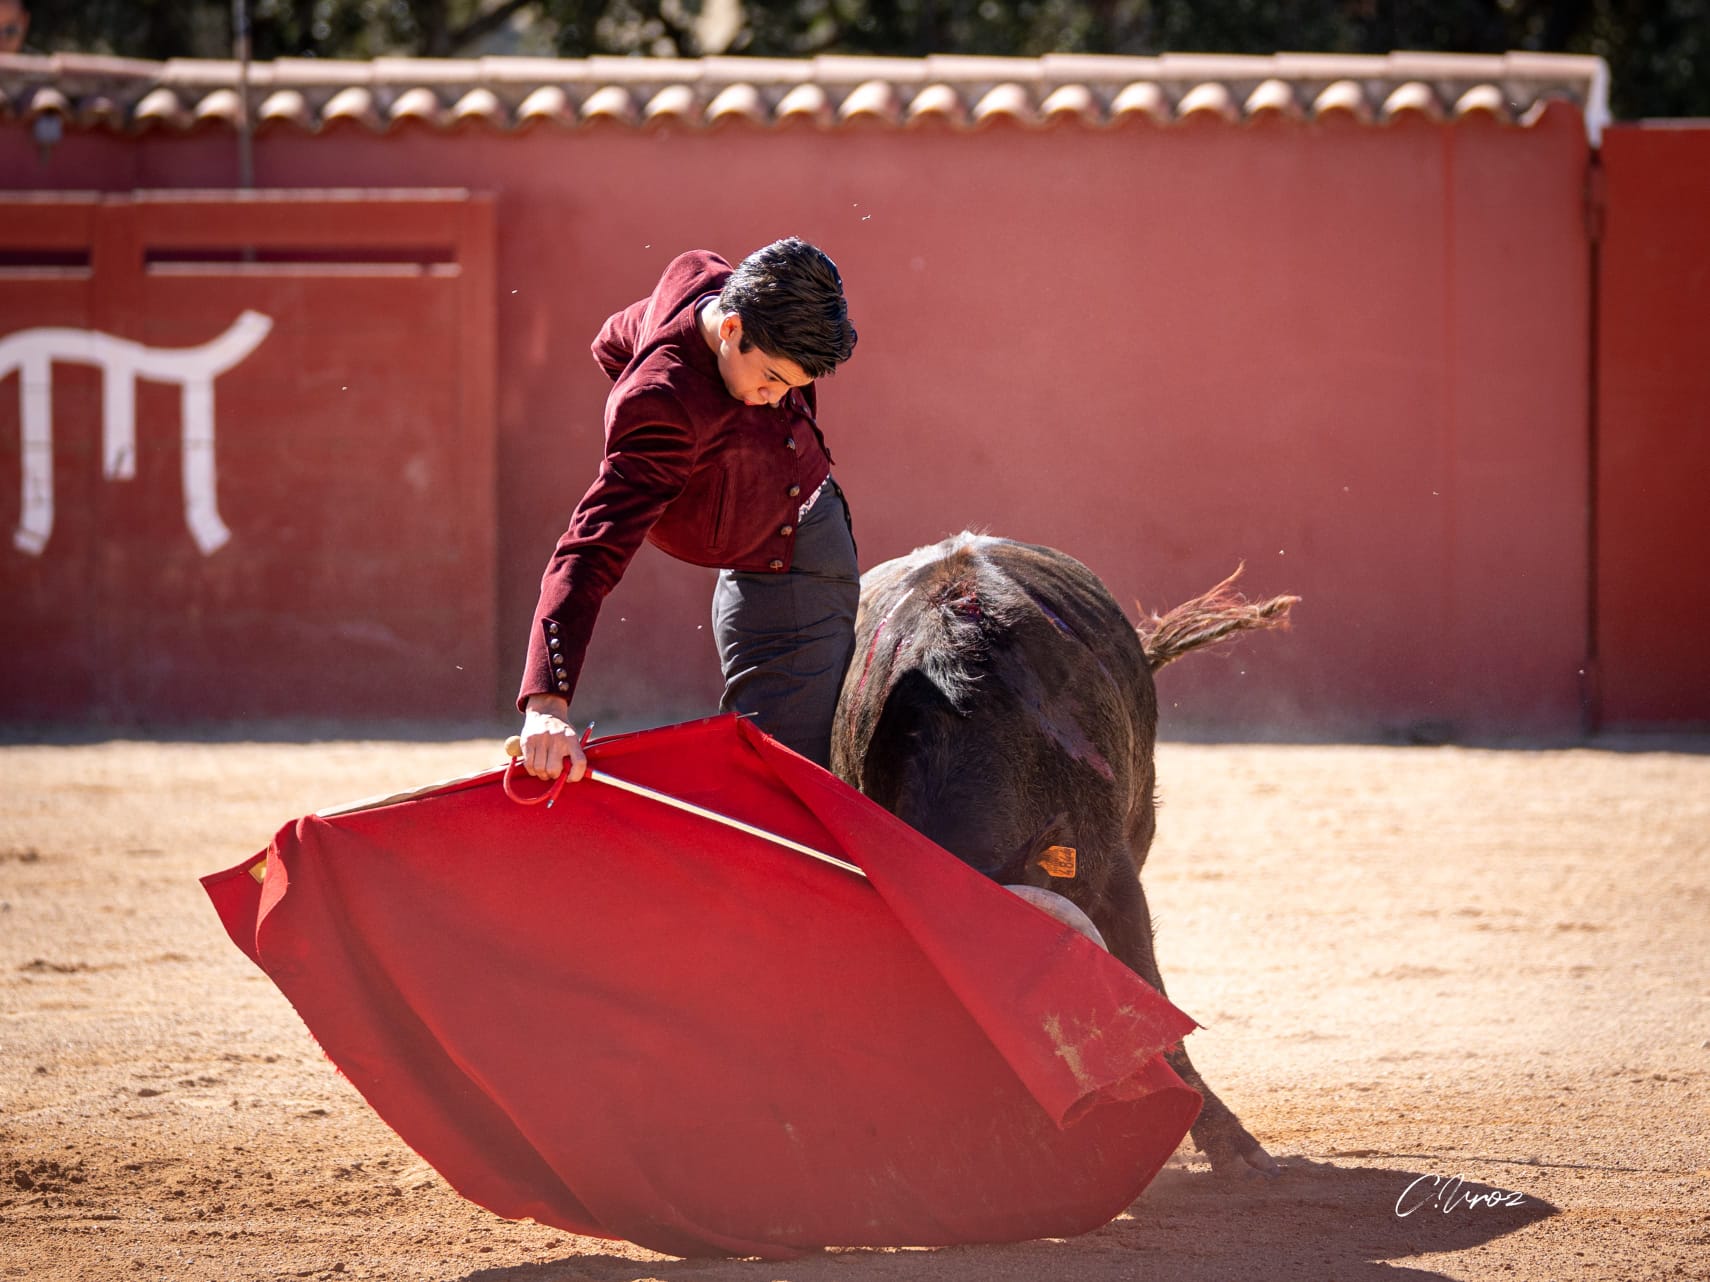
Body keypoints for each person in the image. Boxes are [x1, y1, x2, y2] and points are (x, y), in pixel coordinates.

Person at [516, 238, 859, 783]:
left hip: (796, 554)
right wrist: (547, 703)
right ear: (730, 329)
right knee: (776, 783)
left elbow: (612, 338)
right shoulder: (662, 405)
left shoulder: (701, 278)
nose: (775, 398)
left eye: (792, 387)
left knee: (782, 774)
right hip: (774, 568)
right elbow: (589, 549)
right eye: (771, 378)